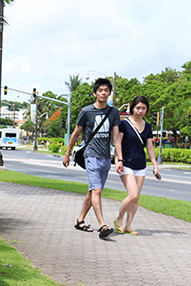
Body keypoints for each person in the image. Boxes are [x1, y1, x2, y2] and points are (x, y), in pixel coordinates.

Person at [62, 78, 123, 239]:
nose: (103, 93)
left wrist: (119, 159)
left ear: (109, 93)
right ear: (95, 93)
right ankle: (103, 225)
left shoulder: (114, 112)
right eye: (100, 90)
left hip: (105, 157)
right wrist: (67, 153)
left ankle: (80, 220)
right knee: (97, 190)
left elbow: (116, 138)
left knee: (93, 191)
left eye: (106, 90)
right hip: (91, 155)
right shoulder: (86, 111)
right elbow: (75, 133)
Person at [113, 95, 160, 235]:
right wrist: (119, 160)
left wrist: (155, 166)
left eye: (143, 108)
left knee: (136, 198)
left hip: (140, 164)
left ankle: (128, 225)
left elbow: (150, 148)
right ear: (132, 108)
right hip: (126, 163)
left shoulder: (148, 126)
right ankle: (119, 219)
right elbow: (118, 143)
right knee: (132, 194)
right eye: (138, 108)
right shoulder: (124, 124)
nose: (140, 111)